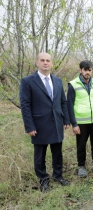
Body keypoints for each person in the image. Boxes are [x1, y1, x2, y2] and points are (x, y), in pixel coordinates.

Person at [20, 52, 70, 192]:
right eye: (42, 60)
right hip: (39, 125)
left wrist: (66, 119)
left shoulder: (58, 81)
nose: (45, 63)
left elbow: (63, 102)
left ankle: (58, 176)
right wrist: (29, 126)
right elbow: (25, 105)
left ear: (52, 63)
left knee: (57, 152)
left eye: (48, 60)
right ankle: (43, 180)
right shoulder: (28, 81)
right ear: (37, 62)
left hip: (56, 123)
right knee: (40, 155)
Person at [67, 60, 93, 177]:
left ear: (92, 70)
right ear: (80, 70)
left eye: (89, 70)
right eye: (85, 70)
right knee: (81, 145)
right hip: (81, 122)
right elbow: (69, 104)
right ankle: (81, 166)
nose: (87, 72)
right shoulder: (73, 84)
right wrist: (74, 124)